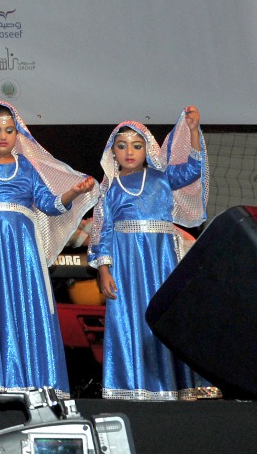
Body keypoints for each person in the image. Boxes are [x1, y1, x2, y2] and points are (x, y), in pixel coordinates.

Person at [0, 101, 99, 398]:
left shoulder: (27, 166)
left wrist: (72, 192)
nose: (3, 136)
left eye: (9, 130)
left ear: (18, 134)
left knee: (25, 302)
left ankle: (32, 378)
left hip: (22, 245)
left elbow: (49, 204)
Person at [89, 108, 219, 400]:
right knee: (130, 317)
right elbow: (102, 231)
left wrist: (193, 131)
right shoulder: (110, 189)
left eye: (137, 146)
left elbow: (192, 169)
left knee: (165, 316)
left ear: (148, 149)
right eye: (122, 146)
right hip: (127, 264)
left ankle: (177, 383)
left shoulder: (162, 178)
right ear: (112, 152)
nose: (130, 152)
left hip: (161, 260)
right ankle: (134, 385)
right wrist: (104, 269)